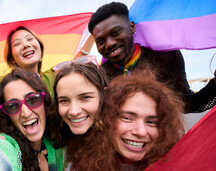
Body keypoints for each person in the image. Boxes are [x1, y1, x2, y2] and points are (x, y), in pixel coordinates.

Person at [45, 68, 185, 171]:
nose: (140, 131)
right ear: (107, 119)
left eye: (152, 122)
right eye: (127, 118)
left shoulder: (177, 168)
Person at [87, 1, 216, 113]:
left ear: (131, 27)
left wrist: (214, 84)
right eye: (101, 41)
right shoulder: (101, 75)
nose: (109, 44)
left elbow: (187, 105)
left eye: (116, 33)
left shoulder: (165, 57)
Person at [0, 26, 91, 116]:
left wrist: (93, 34)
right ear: (12, 58)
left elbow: (76, 62)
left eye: (30, 39)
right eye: (17, 44)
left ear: (39, 47)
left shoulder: (52, 76)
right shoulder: (3, 85)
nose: (25, 45)